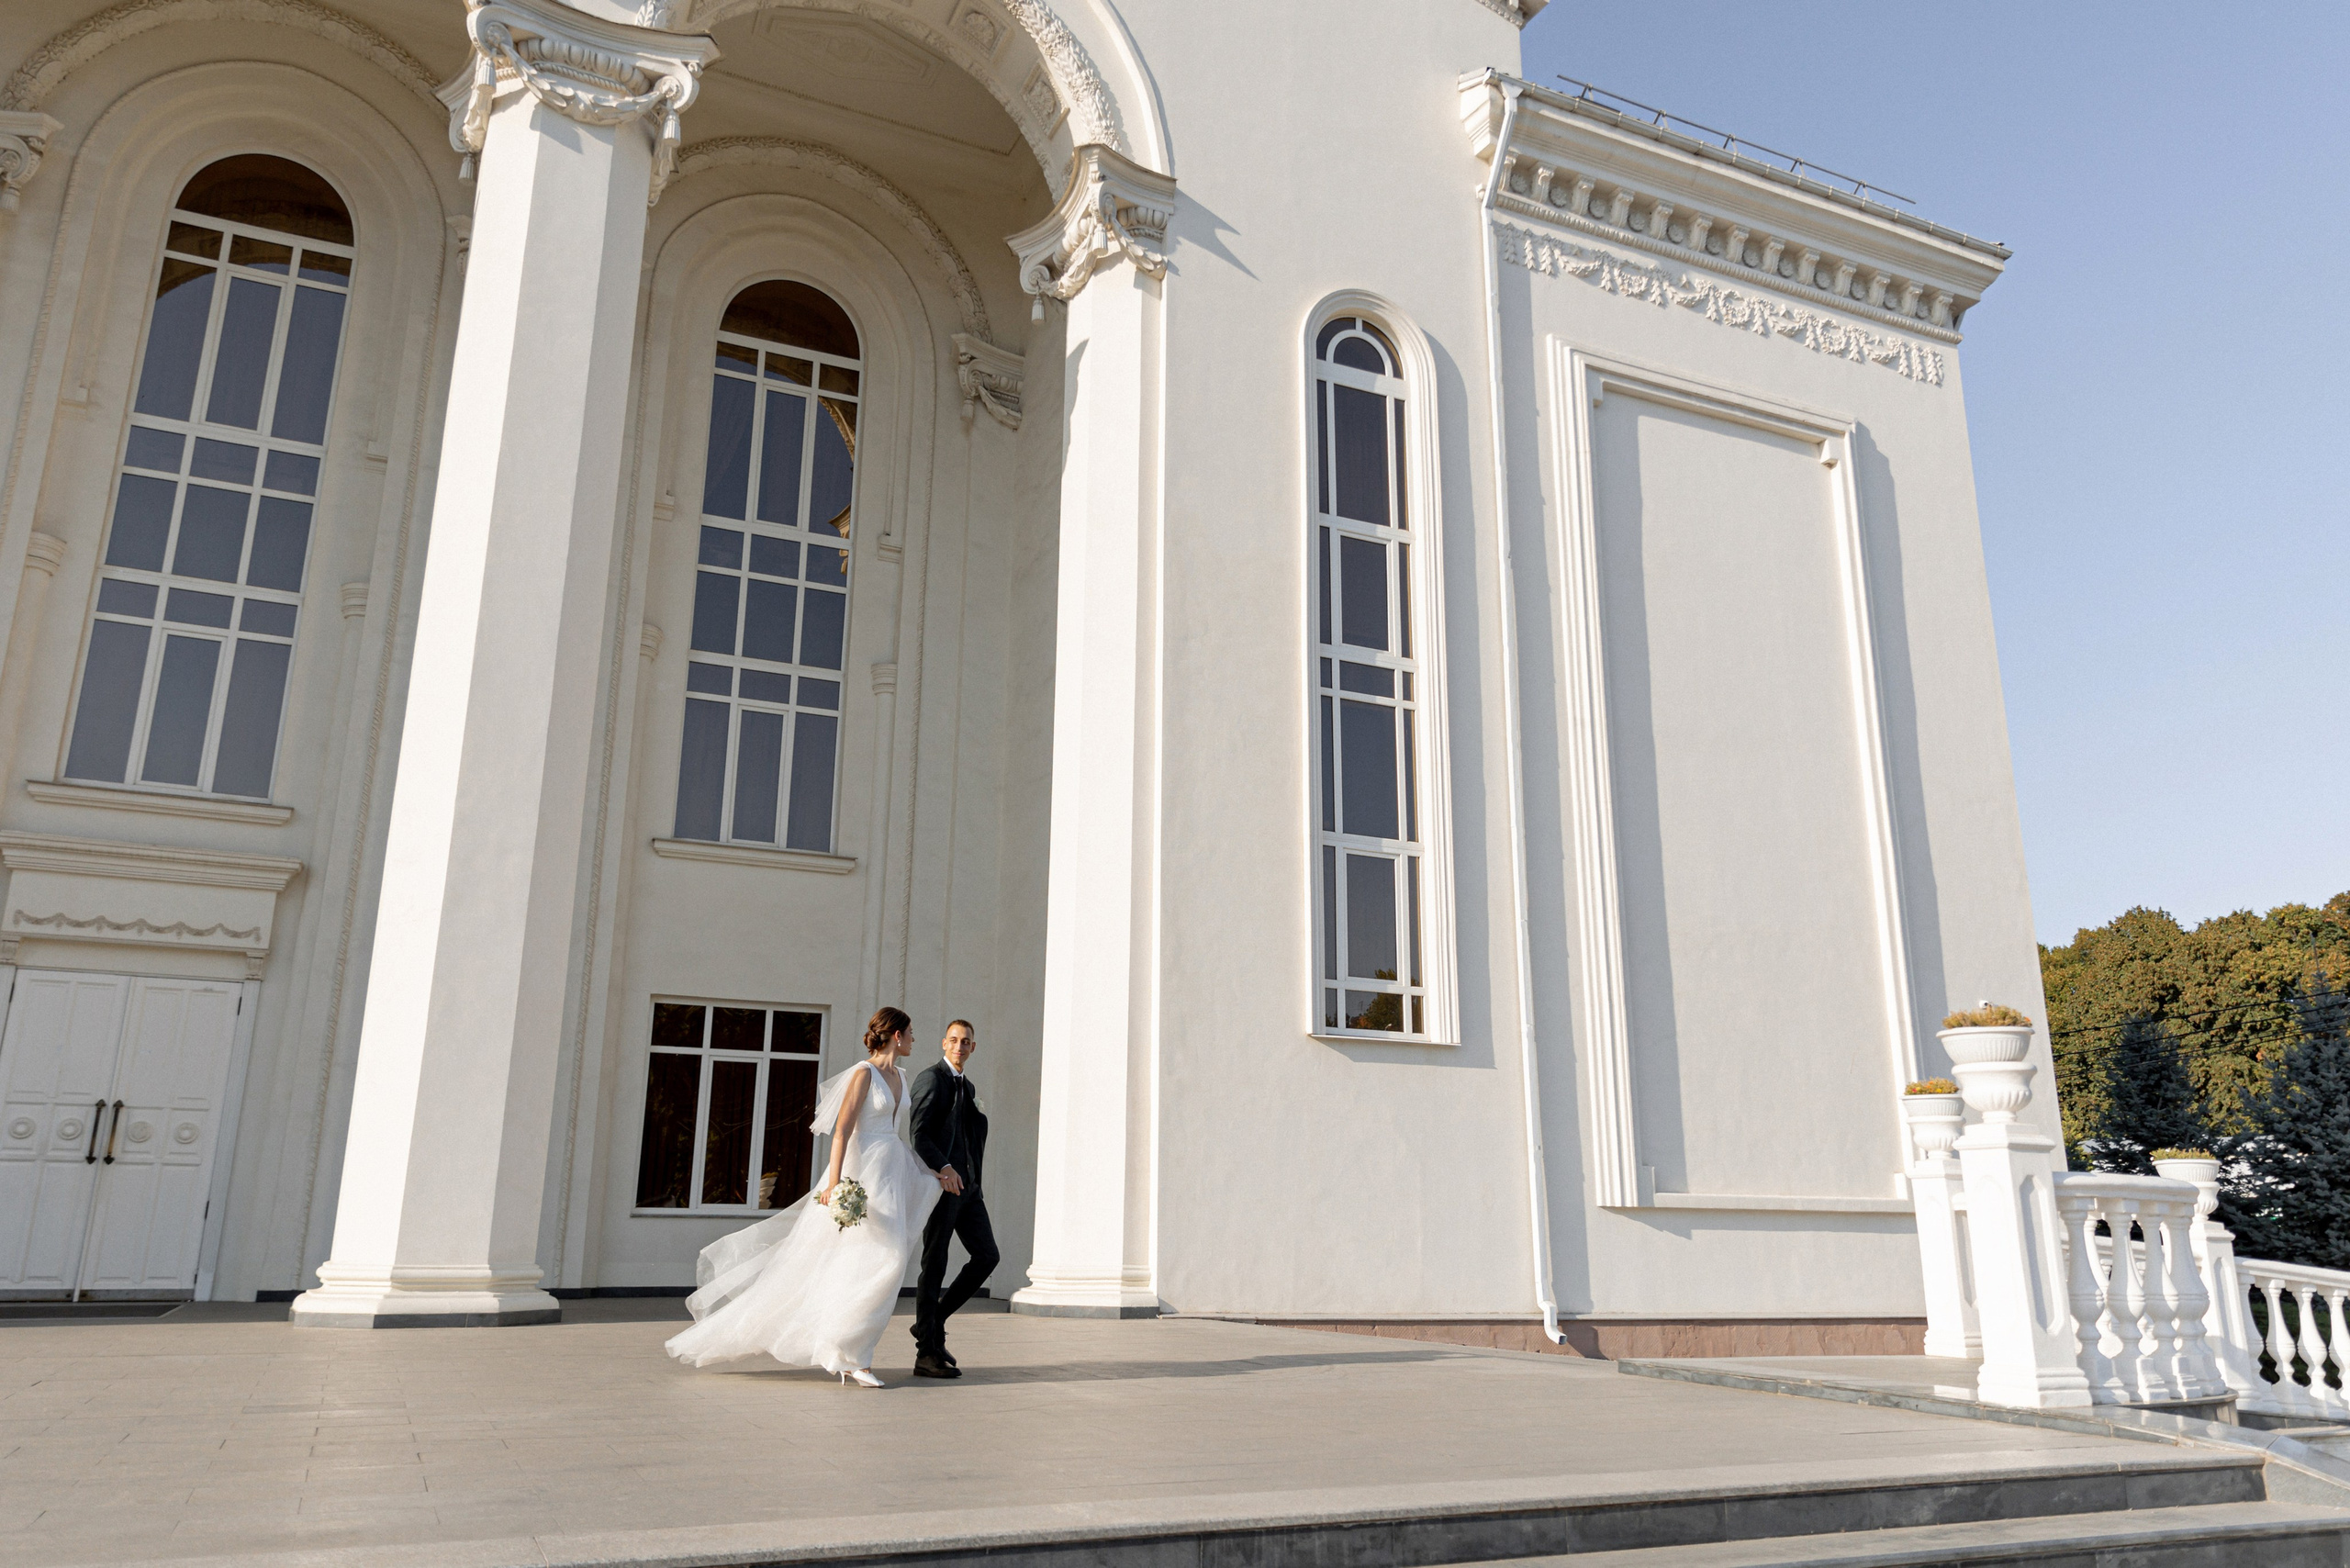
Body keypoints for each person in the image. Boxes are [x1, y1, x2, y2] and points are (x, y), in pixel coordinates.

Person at [664, 1006, 948, 1387]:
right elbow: (843, 1131)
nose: (914, 1038)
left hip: (892, 1174)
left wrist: (929, 1171)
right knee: (873, 1260)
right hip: (862, 1174)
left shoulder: (902, 1075)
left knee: (888, 1261)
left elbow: (897, 1135)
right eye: (910, 1032)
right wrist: (835, 1184)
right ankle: (852, 1357)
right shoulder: (864, 1074)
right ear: (896, 1035)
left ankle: (847, 1350)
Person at [909, 1018, 997, 1378]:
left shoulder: (969, 1086)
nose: (960, 1046)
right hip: (942, 1186)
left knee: (987, 1256)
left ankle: (932, 1321)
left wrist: (972, 1178)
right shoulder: (932, 1079)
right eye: (954, 1040)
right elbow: (919, 1134)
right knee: (935, 1264)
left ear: (972, 1048)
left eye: (966, 1042)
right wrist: (944, 1168)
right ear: (944, 1044)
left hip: (969, 1190)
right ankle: (926, 1353)